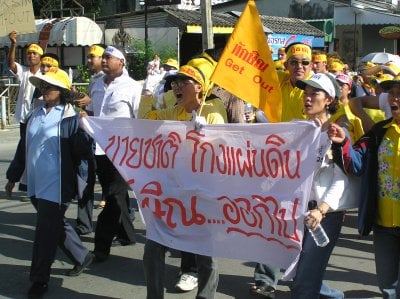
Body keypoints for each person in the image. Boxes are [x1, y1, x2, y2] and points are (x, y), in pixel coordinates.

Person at [5, 67, 94, 298]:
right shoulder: (35, 114)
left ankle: (39, 280)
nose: (44, 90)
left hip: (57, 186)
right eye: (42, 86)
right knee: (54, 224)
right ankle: (82, 256)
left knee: (45, 232)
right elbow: (23, 148)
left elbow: (84, 155)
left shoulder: (71, 118)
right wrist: (13, 176)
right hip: (35, 183)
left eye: (49, 86)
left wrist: (86, 129)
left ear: (63, 90)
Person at [140, 56, 225, 299]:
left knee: (204, 255)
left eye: (183, 81)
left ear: (199, 86)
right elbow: (144, 123)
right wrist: (148, 88)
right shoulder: (173, 112)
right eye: (174, 82)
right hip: (172, 194)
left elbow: (221, 153)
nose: (176, 86)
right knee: (153, 250)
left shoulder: (212, 112)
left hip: (201, 196)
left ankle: (205, 296)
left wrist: (205, 135)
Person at [250, 42, 314, 298]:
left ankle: (306, 279)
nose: (299, 66)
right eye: (294, 62)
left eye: (304, 62)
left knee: (304, 227)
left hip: (308, 168)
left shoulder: (318, 88)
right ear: (285, 64)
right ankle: (266, 279)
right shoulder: (276, 84)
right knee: (271, 222)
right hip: (276, 166)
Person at [328, 76, 400, 299]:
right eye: (393, 94)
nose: (394, 98)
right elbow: (356, 164)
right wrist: (342, 143)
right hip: (383, 223)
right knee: (388, 284)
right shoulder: (380, 131)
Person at [291, 72, 348, 299]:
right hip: (297, 211)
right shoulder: (297, 129)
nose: (307, 98)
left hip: (323, 215)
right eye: (305, 93)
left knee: (304, 283)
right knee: (301, 273)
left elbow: (342, 178)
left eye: (314, 93)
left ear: (329, 100)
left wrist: (321, 209)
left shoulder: (338, 134)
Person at [85, 46, 142, 261]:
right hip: (99, 148)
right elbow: (93, 113)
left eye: (109, 57)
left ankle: (101, 248)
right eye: (104, 57)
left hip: (123, 150)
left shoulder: (132, 87)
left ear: (122, 62)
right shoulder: (96, 85)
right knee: (116, 195)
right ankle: (127, 235)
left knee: (112, 196)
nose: (105, 60)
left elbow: (140, 120)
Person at [74, 44, 106, 236]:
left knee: (112, 184)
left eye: (91, 57)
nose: (88, 60)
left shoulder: (111, 82)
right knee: (85, 179)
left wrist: (89, 104)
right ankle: (84, 223)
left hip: (104, 140)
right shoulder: (94, 80)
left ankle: (124, 219)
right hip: (89, 137)